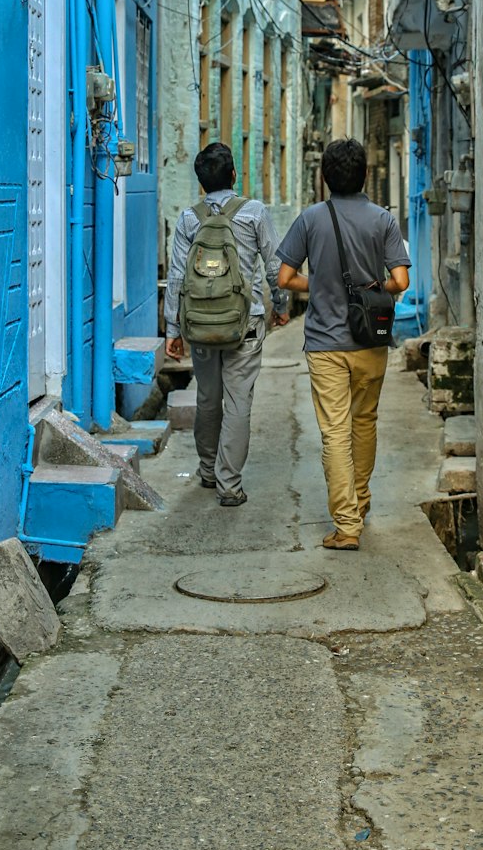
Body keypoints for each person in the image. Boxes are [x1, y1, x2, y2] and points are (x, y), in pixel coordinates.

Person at [277, 138, 410, 551]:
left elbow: (284, 278)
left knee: (334, 432)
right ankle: (362, 503)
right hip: (370, 340)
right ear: (365, 175)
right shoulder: (383, 220)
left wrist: (319, 285)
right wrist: (374, 289)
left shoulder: (310, 219)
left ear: (324, 177)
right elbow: (401, 282)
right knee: (364, 421)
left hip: (325, 344)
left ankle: (347, 524)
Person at [164, 141, 289, 506]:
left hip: (201, 325)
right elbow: (274, 268)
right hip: (244, 324)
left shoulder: (189, 219)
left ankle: (206, 470)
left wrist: (174, 330)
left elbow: (176, 278)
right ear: (234, 175)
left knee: (207, 397)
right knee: (238, 402)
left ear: (202, 183)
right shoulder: (255, 213)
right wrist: (279, 306)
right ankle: (229, 484)